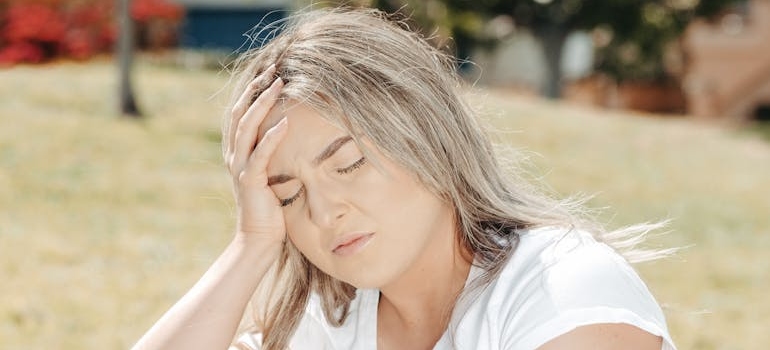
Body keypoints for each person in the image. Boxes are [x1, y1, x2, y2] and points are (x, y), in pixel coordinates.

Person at [132, 8, 677, 350]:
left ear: (427, 137)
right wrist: (251, 246)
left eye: (348, 164)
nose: (324, 214)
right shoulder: (331, 323)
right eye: (288, 195)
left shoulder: (566, 289)